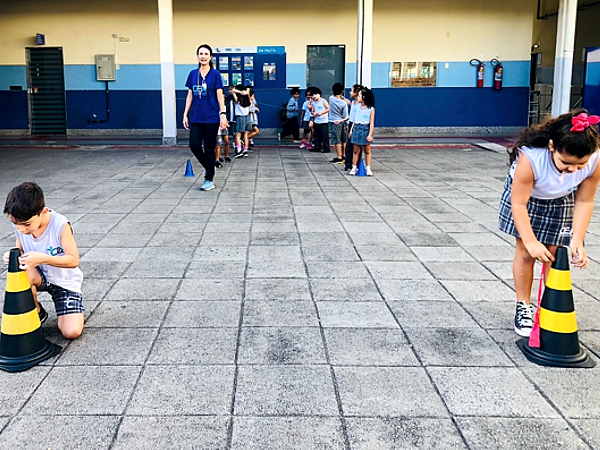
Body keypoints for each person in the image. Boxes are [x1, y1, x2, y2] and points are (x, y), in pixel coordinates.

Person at [498, 110, 600, 337]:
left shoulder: (594, 159)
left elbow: (585, 200)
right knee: (526, 253)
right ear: (552, 146)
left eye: (580, 164)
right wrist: (531, 242)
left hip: (561, 196)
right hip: (527, 199)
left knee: (554, 254)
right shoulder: (531, 158)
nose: (572, 170)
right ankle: (523, 306)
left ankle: (551, 306)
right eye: (566, 162)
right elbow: (519, 204)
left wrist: (577, 240)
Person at [3, 182, 84, 340]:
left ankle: (69, 308)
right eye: (15, 224)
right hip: (39, 275)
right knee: (21, 272)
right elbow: (20, 250)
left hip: (64, 281)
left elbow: (73, 260)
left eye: (26, 224)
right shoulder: (20, 222)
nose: (21, 229)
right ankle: (37, 311)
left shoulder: (60, 224)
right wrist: (12, 256)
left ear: (43, 212)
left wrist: (43, 259)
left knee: (71, 332)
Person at [183, 44, 228, 191]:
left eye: (206, 54)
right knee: (194, 146)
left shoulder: (215, 75)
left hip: (211, 118)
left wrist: (223, 115)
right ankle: (210, 167)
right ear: (197, 56)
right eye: (200, 54)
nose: (203, 56)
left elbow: (220, 96)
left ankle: (209, 178)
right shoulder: (192, 74)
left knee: (209, 148)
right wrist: (185, 114)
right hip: (196, 117)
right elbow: (190, 95)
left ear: (210, 57)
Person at [348, 87, 375, 175]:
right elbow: (354, 120)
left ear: (364, 97)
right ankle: (354, 167)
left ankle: (368, 168)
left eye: (359, 95)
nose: (358, 97)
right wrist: (351, 130)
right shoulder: (356, 107)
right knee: (356, 150)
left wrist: (370, 134)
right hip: (357, 128)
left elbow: (371, 123)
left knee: (367, 150)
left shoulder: (370, 109)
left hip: (365, 128)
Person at [328, 82, 349, 164]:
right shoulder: (343, 103)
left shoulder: (331, 99)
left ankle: (339, 156)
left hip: (334, 122)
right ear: (342, 91)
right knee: (344, 139)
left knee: (337, 140)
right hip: (342, 122)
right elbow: (346, 116)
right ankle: (344, 155)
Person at [344, 84, 362, 171]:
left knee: (357, 146)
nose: (350, 92)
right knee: (349, 146)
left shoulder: (360, 105)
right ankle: (348, 164)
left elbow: (357, 118)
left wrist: (352, 129)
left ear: (356, 93)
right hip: (351, 123)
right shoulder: (353, 103)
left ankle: (357, 164)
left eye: (351, 90)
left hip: (357, 124)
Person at [232, 85, 252, 158]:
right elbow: (248, 89)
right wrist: (244, 92)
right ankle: (245, 150)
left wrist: (239, 92)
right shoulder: (248, 99)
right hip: (248, 117)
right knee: (246, 135)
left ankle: (239, 150)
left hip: (240, 118)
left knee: (238, 136)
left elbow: (232, 90)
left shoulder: (237, 100)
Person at [308, 87, 330, 153]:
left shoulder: (323, 101)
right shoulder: (313, 103)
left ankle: (326, 148)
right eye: (312, 95)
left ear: (319, 94)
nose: (314, 96)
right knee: (316, 135)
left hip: (324, 121)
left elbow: (328, 108)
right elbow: (312, 111)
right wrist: (313, 113)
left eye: (315, 94)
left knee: (324, 136)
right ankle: (317, 147)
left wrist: (321, 113)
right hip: (316, 121)